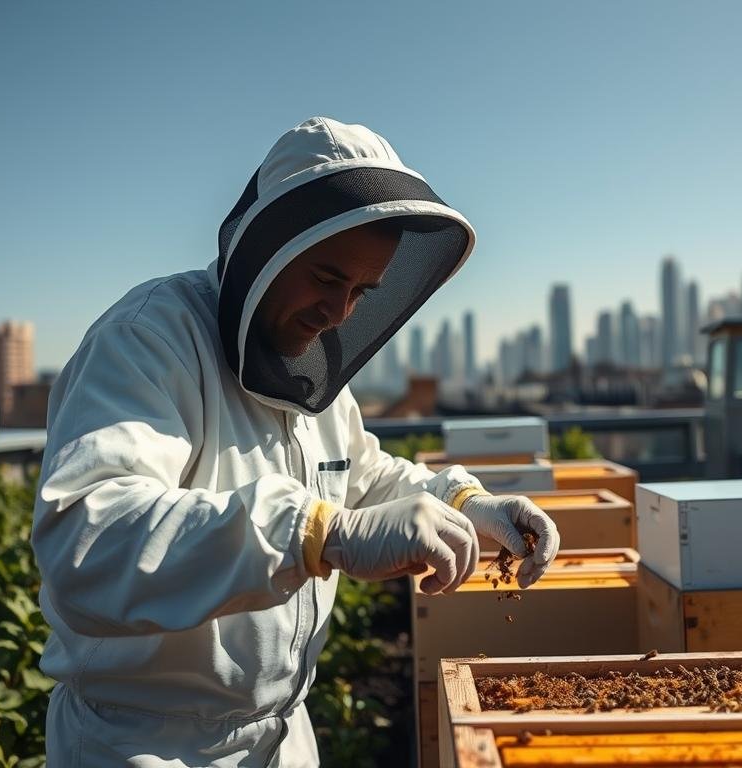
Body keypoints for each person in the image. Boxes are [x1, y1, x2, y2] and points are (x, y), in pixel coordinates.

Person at [31, 116, 561, 767]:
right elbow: (87, 537)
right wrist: (314, 533)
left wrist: (464, 502)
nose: (339, 313)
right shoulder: (147, 339)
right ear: (267, 252)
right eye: (327, 278)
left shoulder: (306, 366)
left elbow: (359, 476)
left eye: (362, 291)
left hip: (283, 734)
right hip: (146, 744)